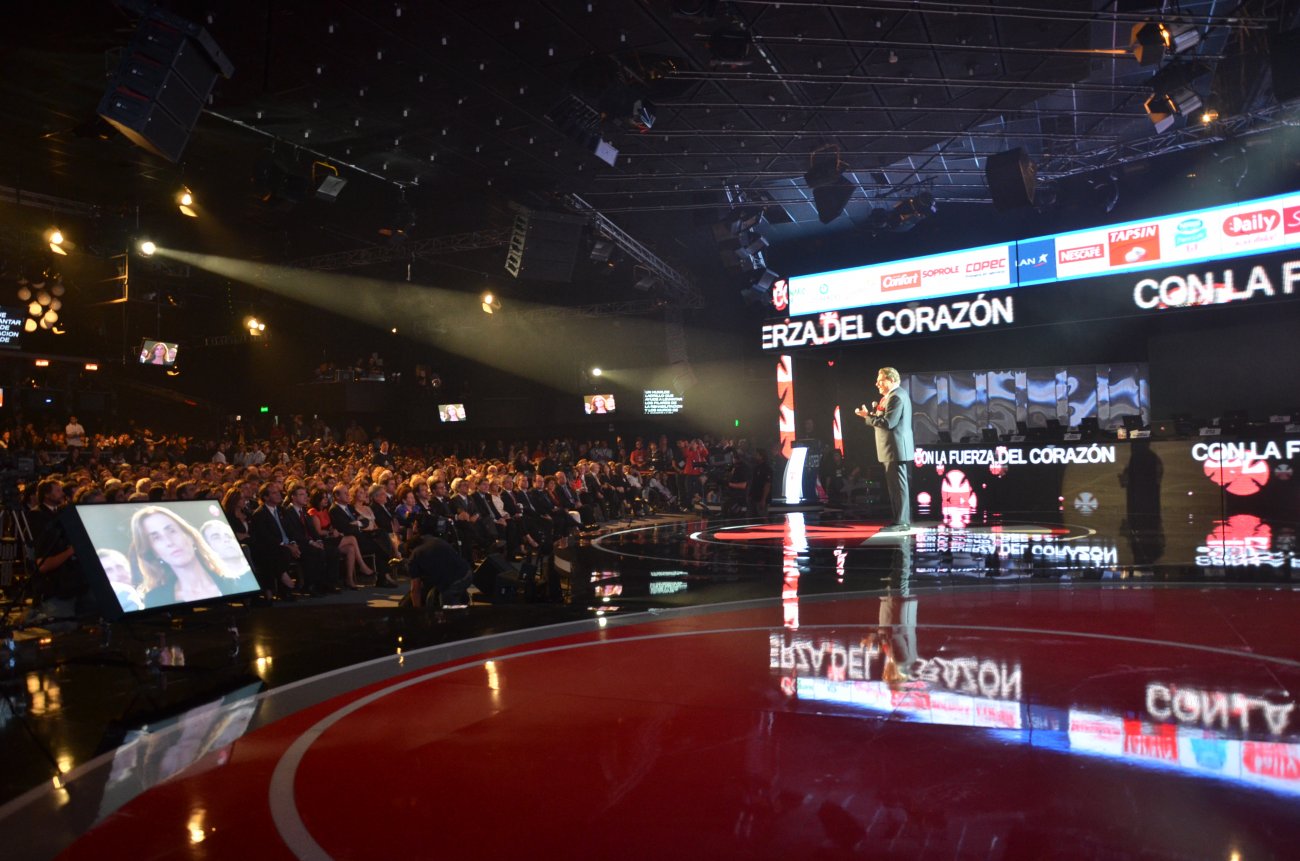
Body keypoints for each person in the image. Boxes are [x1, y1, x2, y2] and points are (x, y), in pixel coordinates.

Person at [128, 506, 248, 608]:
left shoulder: (235, 584)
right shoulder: (155, 599)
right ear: (154, 553)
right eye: (156, 538)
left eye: (172, 531)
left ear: (190, 536)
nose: (169, 542)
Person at [855, 366, 914, 531]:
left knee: (898, 487)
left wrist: (867, 417)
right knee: (895, 487)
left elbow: (889, 423)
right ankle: (899, 520)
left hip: (895, 448)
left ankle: (902, 522)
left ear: (891, 380)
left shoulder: (896, 397)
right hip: (892, 449)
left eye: (881, 380)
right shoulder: (893, 396)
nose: (877, 384)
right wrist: (871, 415)